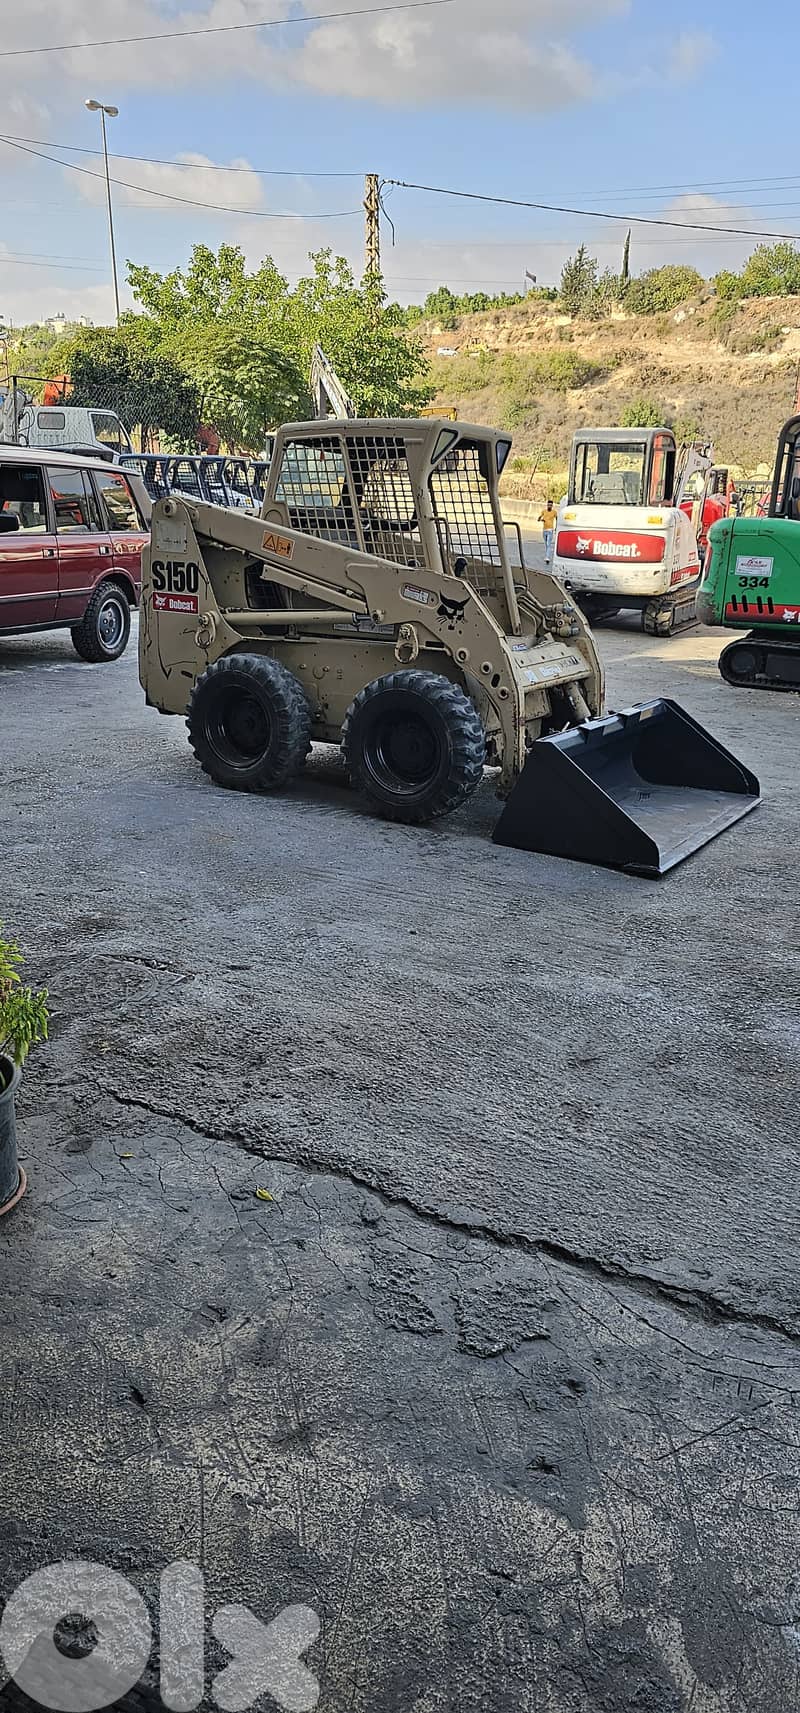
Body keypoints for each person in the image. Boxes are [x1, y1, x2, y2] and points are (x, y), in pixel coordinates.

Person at [539, 498, 557, 565]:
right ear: (547, 505)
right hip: (544, 530)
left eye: (551, 505)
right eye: (548, 505)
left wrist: (556, 527)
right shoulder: (544, 511)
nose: (549, 506)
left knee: (548, 544)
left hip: (550, 530)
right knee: (546, 544)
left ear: (552, 506)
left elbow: (557, 519)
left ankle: (547, 557)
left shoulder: (554, 512)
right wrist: (541, 519)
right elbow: (539, 519)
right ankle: (547, 554)